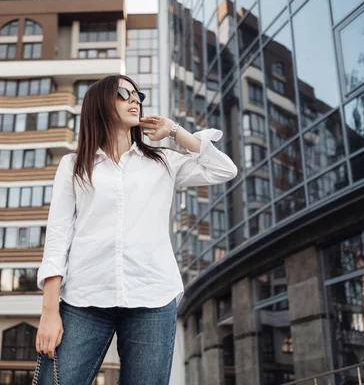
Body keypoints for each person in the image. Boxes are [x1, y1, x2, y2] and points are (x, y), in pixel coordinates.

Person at [34, 75, 237, 384]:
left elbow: (224, 169)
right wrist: (49, 312)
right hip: (84, 298)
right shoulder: (74, 165)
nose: (135, 100)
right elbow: (58, 238)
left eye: (137, 94)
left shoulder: (163, 162)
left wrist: (174, 131)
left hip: (152, 298)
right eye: (123, 93)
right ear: (99, 103)